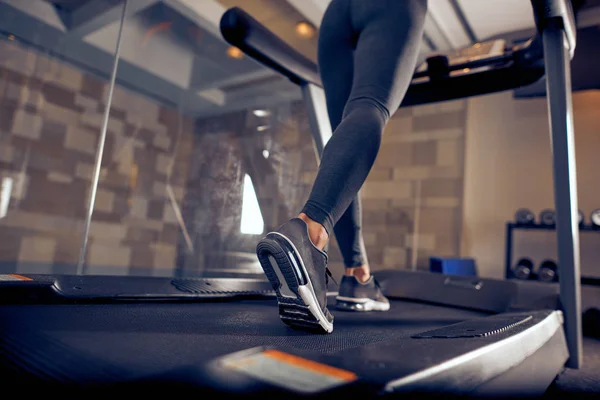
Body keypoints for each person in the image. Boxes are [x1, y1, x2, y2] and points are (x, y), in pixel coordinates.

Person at [256, 0, 428, 333]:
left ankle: (357, 275)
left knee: (347, 129)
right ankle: (309, 231)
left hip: (337, 14)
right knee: (371, 106)